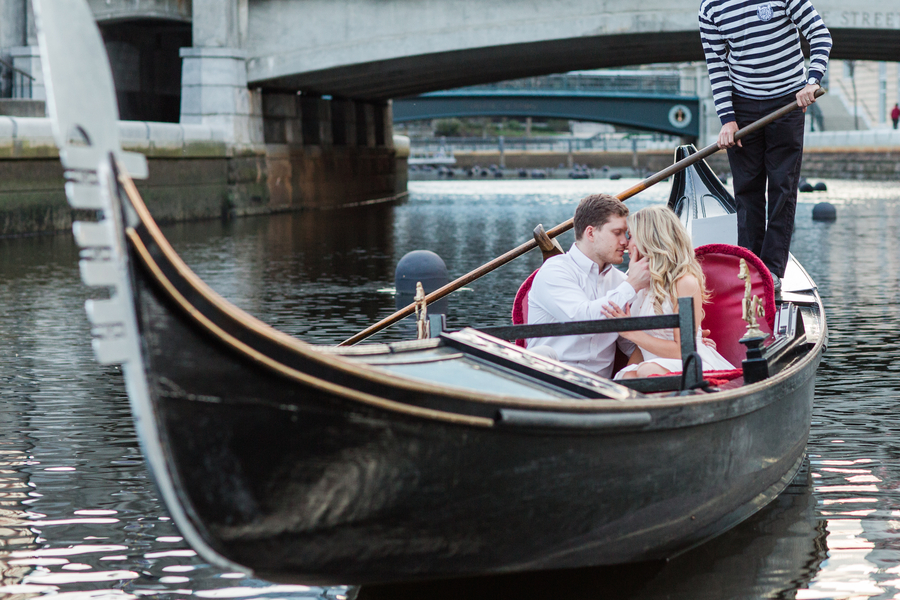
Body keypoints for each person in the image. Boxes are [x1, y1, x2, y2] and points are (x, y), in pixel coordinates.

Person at [699, 0, 832, 291]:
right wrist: (727, 119)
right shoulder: (710, 8)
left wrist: (812, 81)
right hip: (743, 103)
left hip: (789, 100)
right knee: (747, 189)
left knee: (783, 186)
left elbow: (820, 34)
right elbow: (716, 65)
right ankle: (748, 265)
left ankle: (771, 270)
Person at [602, 206, 735, 379]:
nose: (627, 243)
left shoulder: (684, 283)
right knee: (627, 377)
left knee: (648, 371)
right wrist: (626, 376)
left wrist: (630, 333)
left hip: (686, 361)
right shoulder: (642, 286)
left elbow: (683, 350)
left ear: (648, 239)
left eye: (631, 236)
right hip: (652, 364)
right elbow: (643, 347)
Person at [526, 193, 650, 378]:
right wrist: (632, 285)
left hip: (597, 386)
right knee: (544, 353)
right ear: (591, 233)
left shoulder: (621, 283)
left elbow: (631, 344)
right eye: (617, 233)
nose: (624, 242)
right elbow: (582, 321)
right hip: (548, 380)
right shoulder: (554, 271)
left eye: (626, 234)